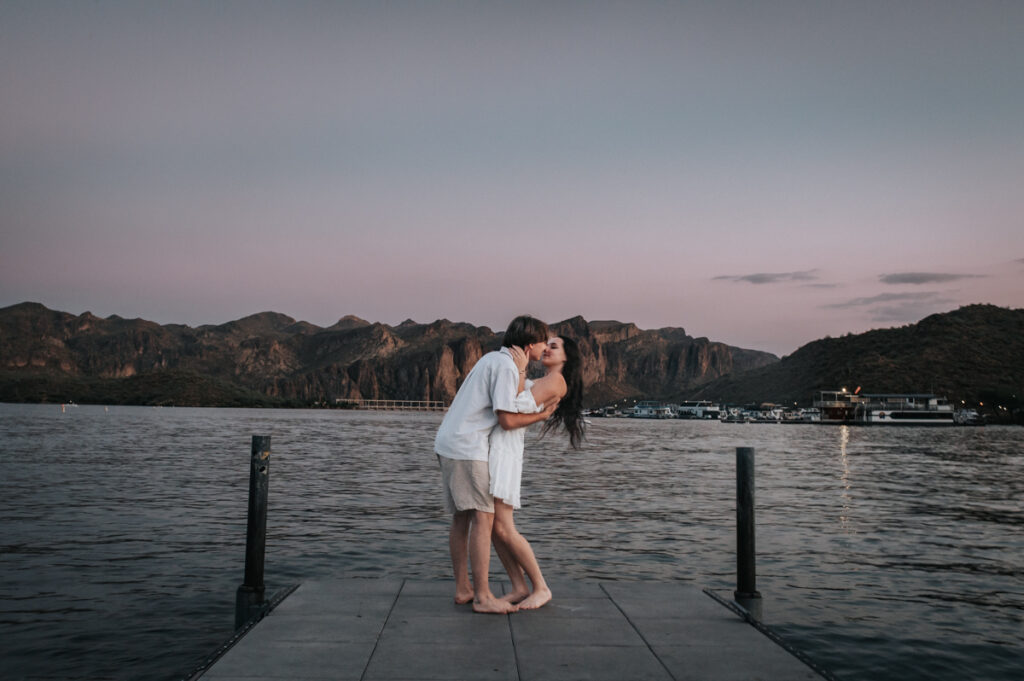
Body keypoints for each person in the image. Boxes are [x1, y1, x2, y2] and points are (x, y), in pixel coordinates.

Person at [433, 315, 557, 614]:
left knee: (461, 519)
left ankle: (465, 588)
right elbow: (506, 418)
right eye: (543, 342)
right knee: (484, 519)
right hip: (467, 447)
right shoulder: (504, 366)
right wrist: (541, 417)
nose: (545, 348)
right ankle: (483, 597)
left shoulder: (493, 360)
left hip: (449, 442)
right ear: (530, 345)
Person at [488, 335, 586, 609]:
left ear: (567, 357)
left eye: (554, 347)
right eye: (547, 344)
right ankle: (519, 586)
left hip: (506, 451)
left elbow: (515, 405)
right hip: (502, 445)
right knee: (496, 528)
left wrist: (519, 369)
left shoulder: (556, 382)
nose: (547, 349)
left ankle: (540, 586)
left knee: (504, 527)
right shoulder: (546, 380)